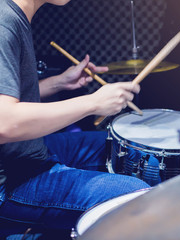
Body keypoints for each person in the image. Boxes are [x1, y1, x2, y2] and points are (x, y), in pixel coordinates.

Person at [0, 0, 150, 235]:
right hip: (8, 179)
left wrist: (59, 83)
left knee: (127, 148)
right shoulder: (4, 20)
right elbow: (4, 123)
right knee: (136, 197)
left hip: (24, 151)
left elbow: (9, 96)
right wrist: (93, 103)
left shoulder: (14, 14)